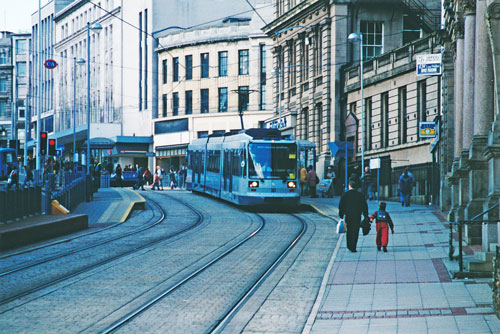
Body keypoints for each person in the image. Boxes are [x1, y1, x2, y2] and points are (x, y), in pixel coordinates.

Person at [339, 179, 369, 253]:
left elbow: (341, 206)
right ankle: (354, 246)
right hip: (357, 216)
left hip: (348, 216)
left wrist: (341, 215)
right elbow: (364, 206)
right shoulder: (360, 195)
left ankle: (349, 245)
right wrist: (365, 215)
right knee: (355, 231)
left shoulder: (345, 195)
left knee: (349, 230)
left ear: (349, 186)